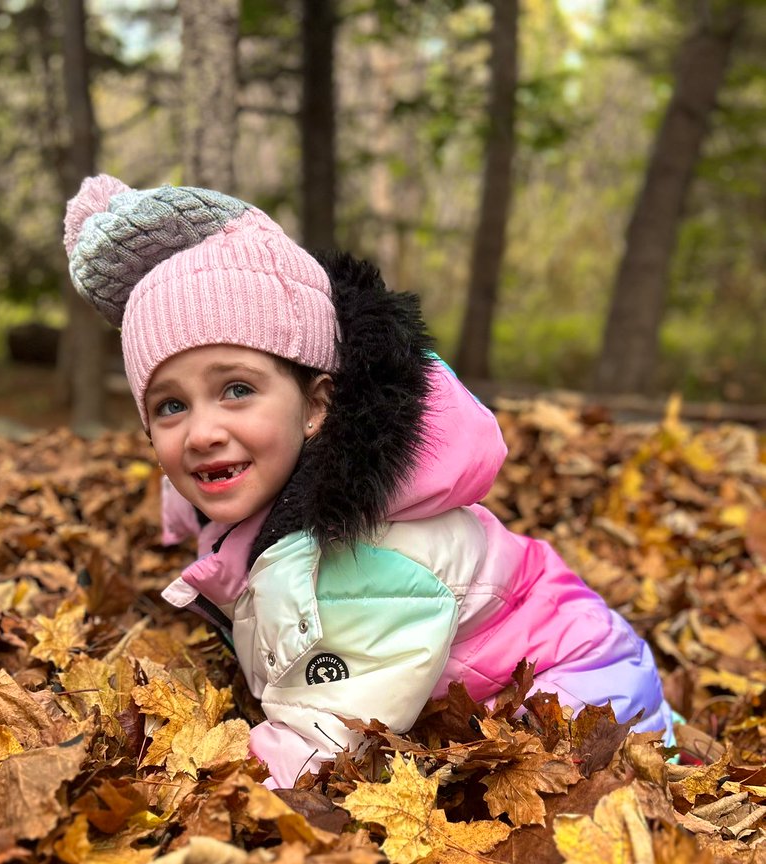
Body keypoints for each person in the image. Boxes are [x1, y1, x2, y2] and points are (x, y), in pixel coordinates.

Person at [64, 174, 673, 788]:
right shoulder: (270, 487)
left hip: (589, 699)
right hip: (530, 680)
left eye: (238, 390)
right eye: (170, 406)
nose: (201, 433)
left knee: (531, 800)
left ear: (315, 406)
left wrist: (204, 785)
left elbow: (330, 733)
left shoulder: (367, 554)